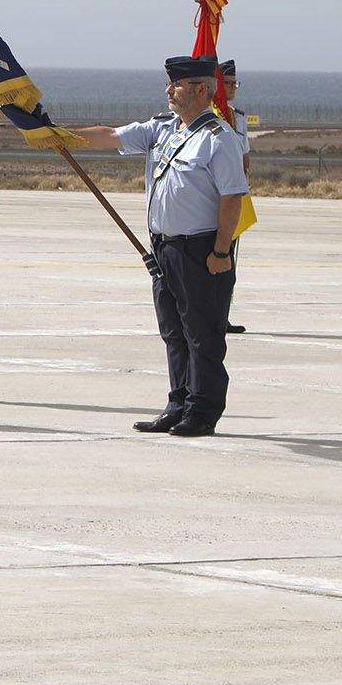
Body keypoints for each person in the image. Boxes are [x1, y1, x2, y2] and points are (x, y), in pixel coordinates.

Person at [71, 55, 251, 436]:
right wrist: (54, 134)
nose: (169, 91)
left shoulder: (219, 139)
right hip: (164, 248)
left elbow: (232, 198)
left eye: (178, 85)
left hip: (201, 249)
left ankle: (203, 411)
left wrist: (221, 252)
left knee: (202, 333)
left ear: (202, 90)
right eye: (169, 85)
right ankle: (178, 401)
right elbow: (111, 136)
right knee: (173, 330)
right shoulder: (163, 129)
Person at [220, 58, 251, 335]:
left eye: (234, 84)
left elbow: (245, 158)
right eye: (227, 83)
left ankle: (223, 315)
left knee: (229, 260)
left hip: (234, 194)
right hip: (214, 198)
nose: (231, 88)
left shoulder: (237, 117)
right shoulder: (213, 116)